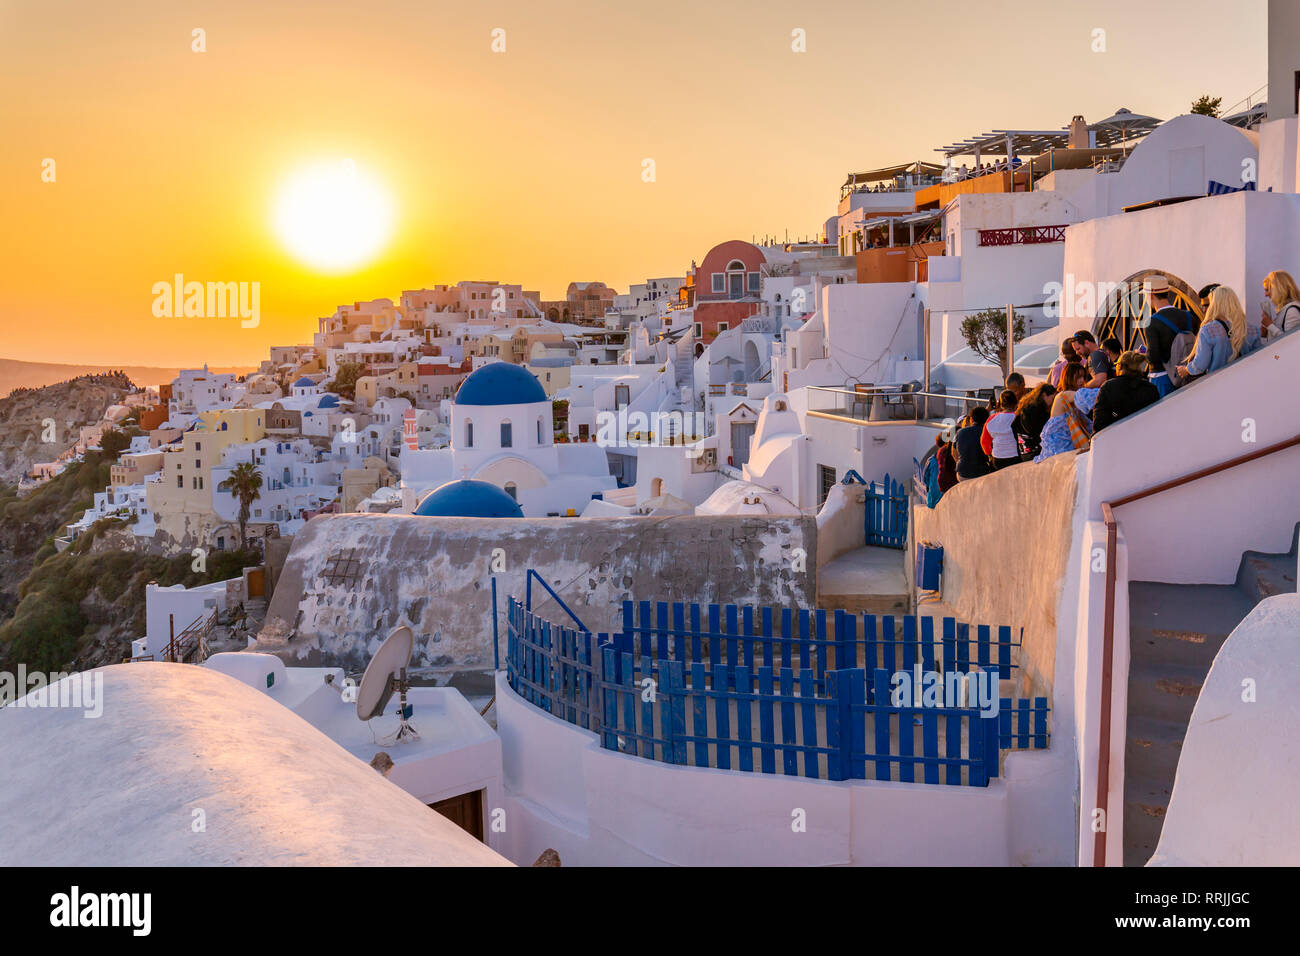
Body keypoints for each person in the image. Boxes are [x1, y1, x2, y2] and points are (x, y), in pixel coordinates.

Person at [1177, 286, 1247, 381]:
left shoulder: (1208, 329)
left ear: (1215, 304)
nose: (1204, 309)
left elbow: (1200, 365)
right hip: (1244, 381)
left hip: (1218, 384)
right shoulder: (1249, 328)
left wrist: (1186, 370)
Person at [1143, 275, 1195, 398]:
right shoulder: (1188, 317)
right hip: (1188, 375)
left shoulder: (1152, 322)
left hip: (1162, 378)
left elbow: (1153, 357)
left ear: (1150, 295)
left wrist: (1143, 355)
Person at [1034, 364, 1095, 462]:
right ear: (1070, 378)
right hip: (1060, 447)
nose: (1082, 380)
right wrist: (1106, 392)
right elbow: (1085, 397)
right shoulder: (1064, 395)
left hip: (1063, 446)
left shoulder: (1068, 398)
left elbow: (1086, 423)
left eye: (1083, 377)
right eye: (1078, 377)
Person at [1093, 350, 1159, 433]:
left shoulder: (1108, 387)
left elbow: (1098, 425)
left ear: (1120, 366)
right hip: (1147, 435)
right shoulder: (1150, 388)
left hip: (1120, 439)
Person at [1012, 382, 1056, 459]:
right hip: (1034, 452)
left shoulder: (1025, 407)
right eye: (1053, 398)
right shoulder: (1038, 411)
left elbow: (1013, 426)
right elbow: (1040, 432)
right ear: (1044, 395)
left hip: (1024, 451)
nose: (1054, 402)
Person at [980, 389, 1021, 470]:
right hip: (1015, 457)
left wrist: (990, 454)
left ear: (1000, 404)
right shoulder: (1018, 417)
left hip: (997, 458)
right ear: (1016, 402)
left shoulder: (991, 419)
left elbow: (984, 442)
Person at [1260, 270, 1300, 342]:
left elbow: (1290, 342)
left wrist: (1270, 325)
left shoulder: (1292, 310)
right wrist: (1267, 331)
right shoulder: (1285, 309)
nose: (1265, 295)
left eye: (1267, 290)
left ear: (1277, 289)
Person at [954, 407, 992, 481]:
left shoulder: (960, 432)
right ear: (987, 419)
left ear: (971, 419)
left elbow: (954, 451)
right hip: (981, 473)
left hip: (962, 473)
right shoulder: (988, 432)